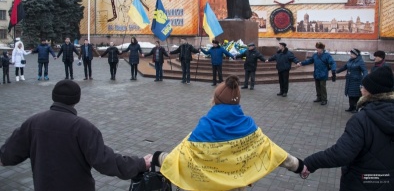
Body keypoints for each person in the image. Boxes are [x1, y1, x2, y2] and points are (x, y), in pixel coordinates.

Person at [156, 75, 306, 190]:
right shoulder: (249, 127)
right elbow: (274, 152)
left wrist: (157, 157)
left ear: (215, 100)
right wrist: (299, 166)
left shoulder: (204, 127)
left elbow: (180, 158)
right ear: (238, 101)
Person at [0, 80, 152, 191]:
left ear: (54, 96)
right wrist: (140, 164)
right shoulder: (83, 128)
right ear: (76, 99)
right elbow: (106, 161)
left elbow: (9, 153)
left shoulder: (33, 122)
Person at [302, 66, 394, 190]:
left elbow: (341, 154)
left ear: (371, 92)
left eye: (363, 87)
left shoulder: (362, 119)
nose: (361, 89)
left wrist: (310, 163)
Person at [336, 48, 368, 113]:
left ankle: (356, 108)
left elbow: (365, 70)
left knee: (356, 95)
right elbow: (345, 67)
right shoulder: (350, 60)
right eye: (351, 54)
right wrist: (337, 71)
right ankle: (351, 107)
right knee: (350, 94)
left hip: (356, 81)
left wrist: (364, 78)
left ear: (356, 54)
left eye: (352, 54)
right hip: (349, 80)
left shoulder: (360, 61)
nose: (350, 55)